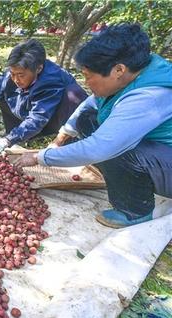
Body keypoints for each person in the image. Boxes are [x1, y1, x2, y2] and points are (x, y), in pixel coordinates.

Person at [14, 24, 172, 228]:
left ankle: (134, 212)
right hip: (157, 149)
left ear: (118, 70)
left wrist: (38, 157)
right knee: (87, 119)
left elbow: (101, 147)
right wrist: (62, 136)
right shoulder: (135, 74)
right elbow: (90, 104)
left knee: (118, 150)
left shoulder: (149, 96)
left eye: (88, 76)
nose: (86, 82)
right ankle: (121, 175)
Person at [0, 38, 87, 155]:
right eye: (12, 73)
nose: (16, 79)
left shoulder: (51, 81)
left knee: (73, 98)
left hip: (59, 111)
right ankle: (18, 135)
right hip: (31, 104)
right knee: (4, 91)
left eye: (21, 75)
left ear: (38, 69)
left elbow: (38, 118)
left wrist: (7, 140)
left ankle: (67, 143)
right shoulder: (11, 76)